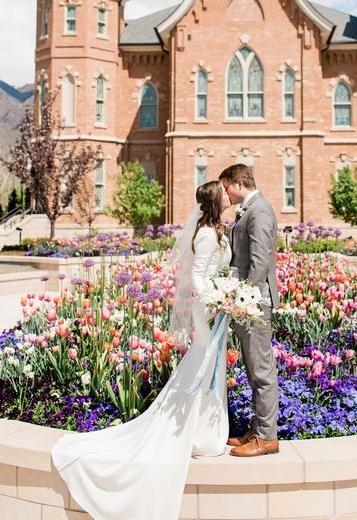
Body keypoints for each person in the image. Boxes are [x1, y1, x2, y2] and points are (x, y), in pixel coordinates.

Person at [51, 181, 232, 520]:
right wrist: (219, 298)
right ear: (213, 200)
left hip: (217, 307)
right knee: (203, 367)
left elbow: (215, 272)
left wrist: (229, 293)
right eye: (223, 192)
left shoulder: (218, 230)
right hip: (207, 310)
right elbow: (196, 277)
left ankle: (208, 432)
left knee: (211, 369)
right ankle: (197, 433)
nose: (228, 195)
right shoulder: (207, 235)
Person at [219, 164, 279, 457]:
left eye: (227, 187)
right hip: (247, 302)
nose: (225, 193)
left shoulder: (260, 211)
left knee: (261, 369)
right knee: (253, 369)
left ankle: (267, 438)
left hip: (255, 303)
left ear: (239, 183)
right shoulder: (248, 209)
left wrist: (243, 300)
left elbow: (259, 263)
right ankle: (258, 428)